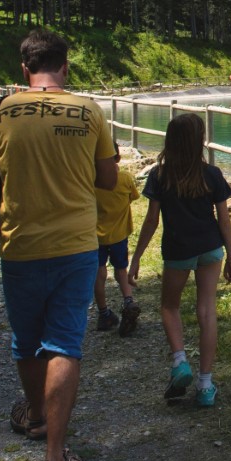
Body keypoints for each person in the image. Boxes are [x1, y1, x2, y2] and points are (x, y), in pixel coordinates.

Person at [0, 30, 117, 461]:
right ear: (65, 66)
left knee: (27, 343)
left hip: (20, 244)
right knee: (65, 343)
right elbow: (107, 179)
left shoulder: (1, 111)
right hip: (77, 245)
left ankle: (36, 417)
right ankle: (54, 453)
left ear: (24, 69)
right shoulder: (89, 111)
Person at [128, 113, 231, 408]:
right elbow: (224, 221)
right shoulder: (212, 175)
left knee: (169, 306)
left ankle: (180, 362)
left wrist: (136, 257)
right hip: (211, 249)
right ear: (199, 141)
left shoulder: (159, 176)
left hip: (178, 250)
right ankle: (205, 385)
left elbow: (151, 220)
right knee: (206, 311)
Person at [94, 142, 141, 336]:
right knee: (121, 269)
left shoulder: (90, 181)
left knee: (98, 273)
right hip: (119, 235)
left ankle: (104, 312)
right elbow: (133, 197)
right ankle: (128, 301)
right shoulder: (125, 178)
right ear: (118, 158)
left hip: (95, 236)